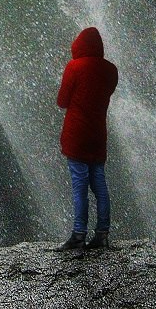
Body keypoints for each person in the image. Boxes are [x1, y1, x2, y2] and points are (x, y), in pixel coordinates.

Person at [56, 26, 118, 250]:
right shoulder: (111, 70)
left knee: (79, 186)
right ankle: (102, 234)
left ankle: (79, 234)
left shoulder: (75, 67)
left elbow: (62, 101)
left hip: (77, 136)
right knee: (100, 186)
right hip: (98, 135)